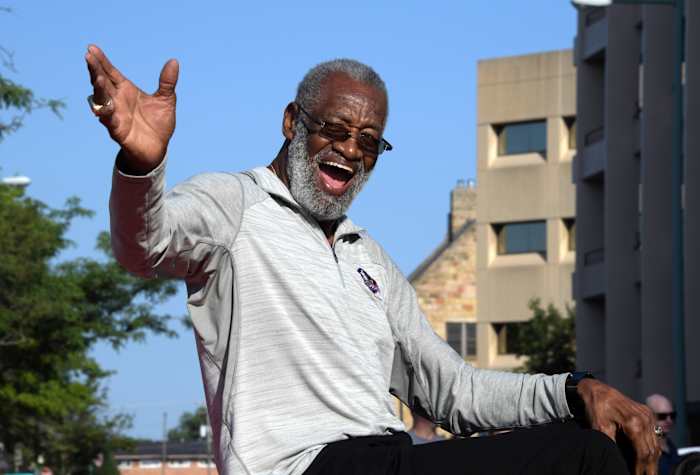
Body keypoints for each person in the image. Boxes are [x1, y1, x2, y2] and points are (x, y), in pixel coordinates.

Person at [85, 44, 661, 475]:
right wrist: (141, 165)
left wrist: (572, 390)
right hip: (305, 465)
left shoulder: (373, 261)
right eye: (334, 130)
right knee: (582, 458)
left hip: (390, 456)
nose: (350, 151)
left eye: (368, 141)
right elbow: (145, 246)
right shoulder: (237, 204)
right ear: (292, 123)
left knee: (596, 440)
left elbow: (453, 392)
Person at [646, 394, 682, 475]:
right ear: (649, 417)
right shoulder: (645, 450)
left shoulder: (670, 445)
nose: (669, 420)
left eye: (672, 415)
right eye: (662, 416)